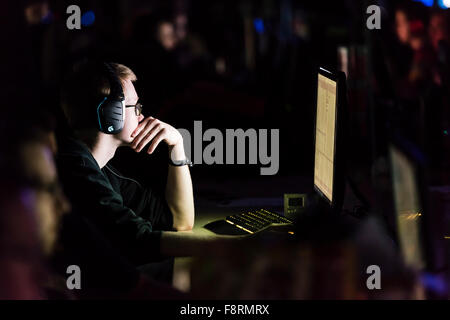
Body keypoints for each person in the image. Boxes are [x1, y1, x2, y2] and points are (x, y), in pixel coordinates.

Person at [57, 61, 283, 285]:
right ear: (110, 115)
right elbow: (137, 240)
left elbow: (179, 222)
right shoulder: (77, 168)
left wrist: (177, 145)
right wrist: (229, 248)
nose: (141, 115)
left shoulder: (101, 169)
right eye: (135, 107)